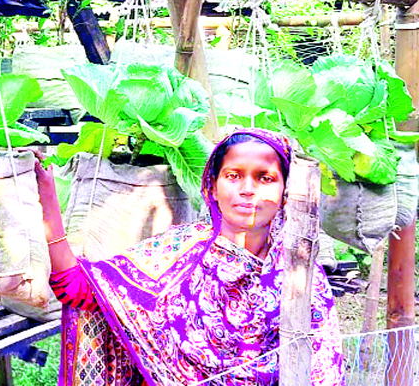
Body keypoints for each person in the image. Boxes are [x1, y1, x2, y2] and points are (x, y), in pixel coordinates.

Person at [32, 128, 345, 386]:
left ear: (284, 190)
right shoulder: (178, 252)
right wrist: (48, 198)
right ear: (213, 184)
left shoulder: (302, 278)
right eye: (234, 176)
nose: (248, 190)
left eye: (265, 178)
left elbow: (322, 372)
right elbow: (77, 287)